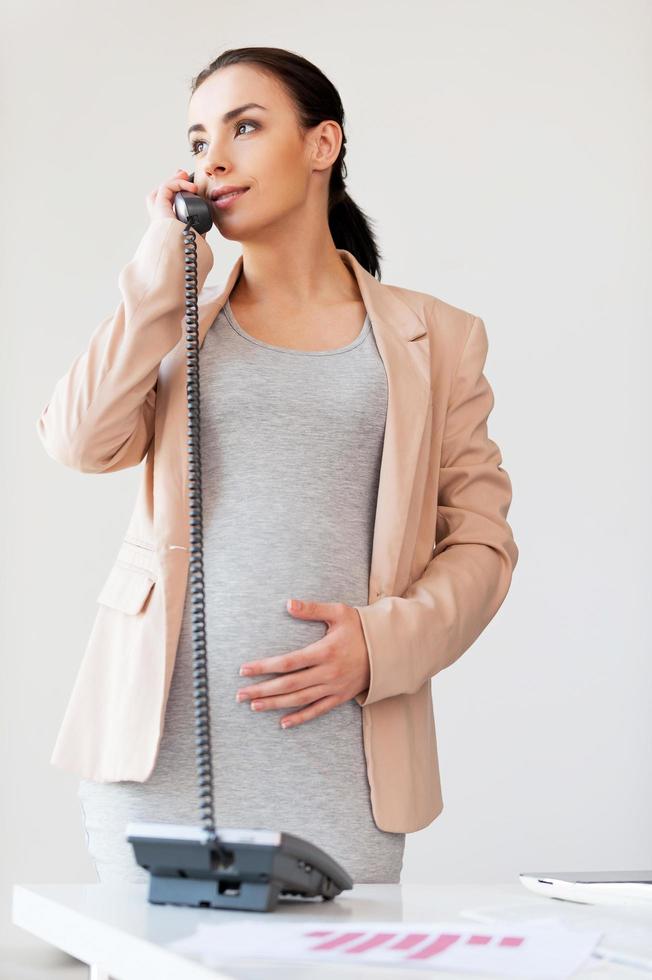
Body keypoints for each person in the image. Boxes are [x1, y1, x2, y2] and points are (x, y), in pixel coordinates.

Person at [41, 46, 518, 886]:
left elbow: (482, 543)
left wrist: (382, 645)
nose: (212, 158)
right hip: (161, 754)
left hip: (342, 752)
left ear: (322, 144)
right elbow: (79, 441)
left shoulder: (437, 337)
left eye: (245, 127)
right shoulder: (174, 321)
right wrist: (161, 267)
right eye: (197, 140)